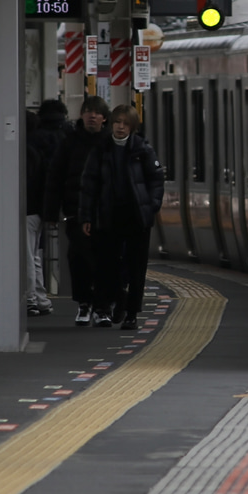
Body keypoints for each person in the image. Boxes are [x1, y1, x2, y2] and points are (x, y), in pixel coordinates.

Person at [79, 105, 164, 330]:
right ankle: (113, 302)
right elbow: (89, 185)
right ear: (111, 123)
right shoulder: (101, 149)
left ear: (133, 127)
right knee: (107, 264)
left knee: (137, 267)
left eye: (126, 123)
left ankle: (132, 313)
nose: (120, 127)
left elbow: (156, 180)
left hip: (136, 216)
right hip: (108, 215)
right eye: (117, 122)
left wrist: (151, 206)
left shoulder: (142, 149)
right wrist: (86, 216)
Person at [41, 96, 110, 325]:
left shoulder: (110, 143)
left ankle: (102, 307)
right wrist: (51, 213)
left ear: (104, 118)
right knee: (79, 259)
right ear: (81, 115)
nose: (92, 116)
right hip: (75, 212)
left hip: (106, 213)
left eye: (97, 112)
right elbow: (55, 178)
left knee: (105, 260)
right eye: (88, 111)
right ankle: (84, 303)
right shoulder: (69, 142)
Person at [24, 111, 52, 317]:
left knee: (27, 256)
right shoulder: (40, 149)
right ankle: (41, 299)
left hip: (26, 210)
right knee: (34, 256)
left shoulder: (24, 152)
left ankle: (31, 300)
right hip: (38, 210)